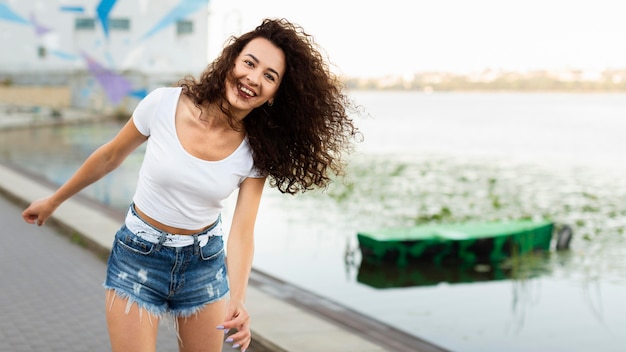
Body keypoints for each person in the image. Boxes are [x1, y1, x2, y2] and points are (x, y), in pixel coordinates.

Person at [21, 18, 358, 352]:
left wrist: (237, 299)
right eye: (249, 63)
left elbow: (242, 231)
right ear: (231, 61)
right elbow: (110, 156)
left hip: (203, 267)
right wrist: (55, 200)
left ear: (273, 95)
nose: (253, 79)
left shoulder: (256, 150)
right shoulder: (164, 104)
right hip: (138, 256)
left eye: (269, 76)